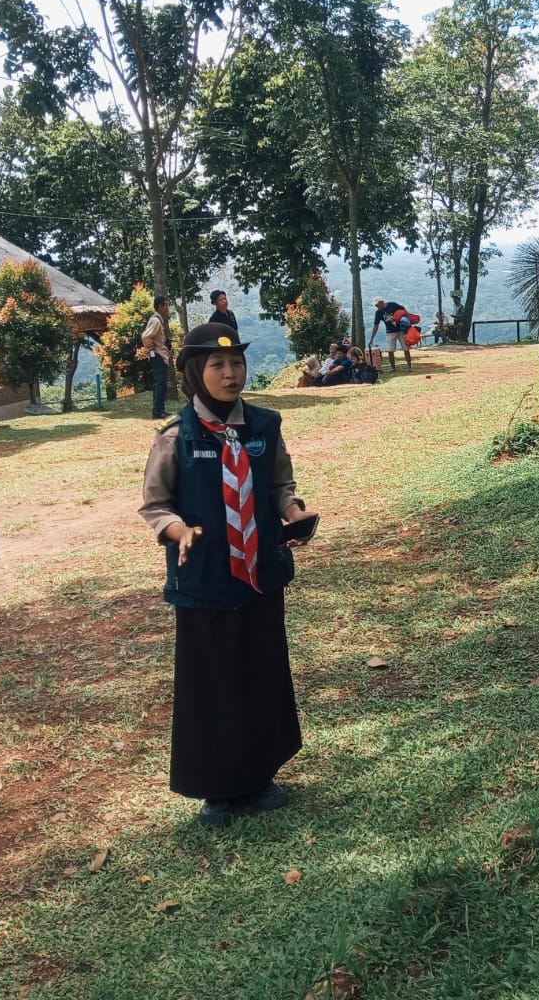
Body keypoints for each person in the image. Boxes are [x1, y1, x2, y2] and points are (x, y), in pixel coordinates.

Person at [138, 322, 317, 826]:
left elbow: (280, 484)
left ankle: (259, 776)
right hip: (205, 582)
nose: (230, 373)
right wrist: (178, 531)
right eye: (217, 365)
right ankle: (217, 787)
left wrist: (294, 511)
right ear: (196, 373)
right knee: (212, 681)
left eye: (235, 363)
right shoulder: (175, 437)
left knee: (260, 674)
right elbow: (155, 505)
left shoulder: (265, 425)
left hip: (259, 575)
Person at [140, 295, 173, 419]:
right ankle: (158, 411)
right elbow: (145, 337)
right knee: (160, 384)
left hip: (159, 354)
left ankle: (159, 410)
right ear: (160, 306)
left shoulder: (158, 320)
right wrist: (151, 349)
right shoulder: (156, 321)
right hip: (158, 355)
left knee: (159, 383)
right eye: (166, 305)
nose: (167, 308)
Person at [369, 298, 413, 372]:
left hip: (401, 330)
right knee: (390, 350)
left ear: (381, 302)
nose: (377, 307)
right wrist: (372, 338)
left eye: (377, 305)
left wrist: (406, 321)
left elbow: (403, 310)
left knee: (406, 349)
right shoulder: (378, 312)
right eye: (376, 306)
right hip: (390, 332)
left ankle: (409, 367)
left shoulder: (393, 305)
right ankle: (393, 368)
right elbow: (376, 325)